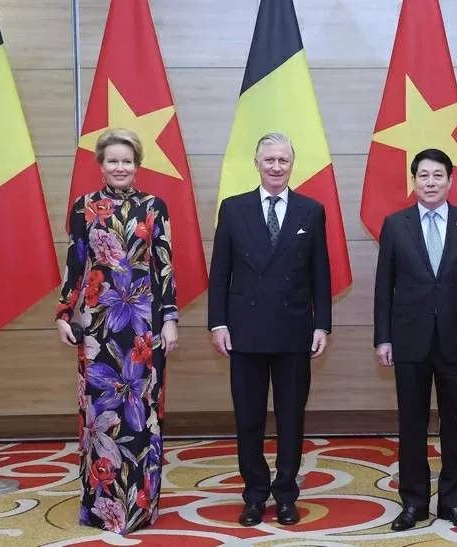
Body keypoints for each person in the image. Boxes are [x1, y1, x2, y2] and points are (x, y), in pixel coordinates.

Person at [56, 128, 178, 534]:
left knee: (141, 417)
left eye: (127, 160)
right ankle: (100, 509)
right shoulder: (83, 206)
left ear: (137, 164)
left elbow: (164, 267)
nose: (120, 167)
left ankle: (140, 506)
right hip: (97, 328)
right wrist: (63, 311)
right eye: (113, 161)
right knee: (100, 418)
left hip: (143, 328)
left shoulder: (154, 206)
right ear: (101, 164)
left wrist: (171, 320)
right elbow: (76, 264)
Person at [208, 132, 331, 527]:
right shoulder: (233, 209)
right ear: (257, 164)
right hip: (244, 331)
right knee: (249, 418)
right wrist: (218, 322)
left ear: (292, 165)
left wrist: (322, 325)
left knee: (291, 418)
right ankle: (255, 495)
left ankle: (286, 495)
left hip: (294, 331)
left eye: (283, 161)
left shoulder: (311, 210)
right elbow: (220, 271)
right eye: (269, 160)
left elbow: (320, 275)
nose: (276, 167)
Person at [373, 148, 457, 531]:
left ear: (450, 181)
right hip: (409, 340)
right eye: (423, 175)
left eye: (437, 175)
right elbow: (383, 289)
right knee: (411, 424)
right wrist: (383, 338)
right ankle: (413, 503)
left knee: (456, 424)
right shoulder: (395, 224)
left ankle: (454, 502)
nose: (430, 182)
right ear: (414, 181)